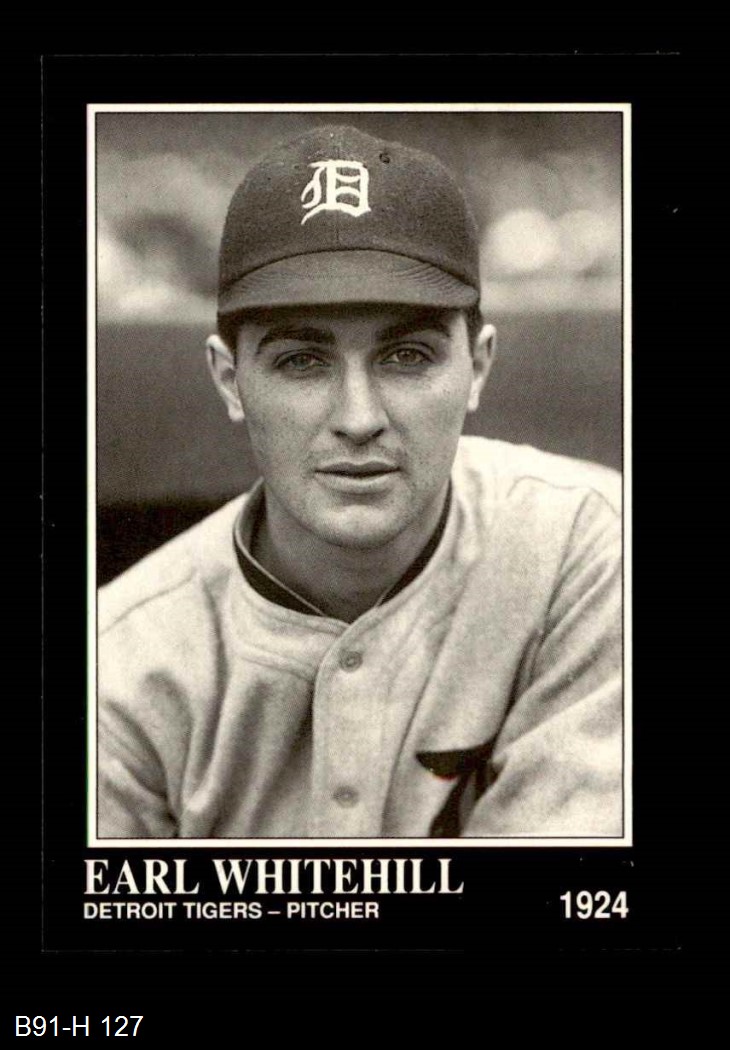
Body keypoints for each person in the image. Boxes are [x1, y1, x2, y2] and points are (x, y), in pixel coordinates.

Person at [98, 125, 623, 839]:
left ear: (478, 367)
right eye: (301, 362)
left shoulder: (587, 551)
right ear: (229, 379)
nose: (358, 419)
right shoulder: (118, 663)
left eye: (407, 356)